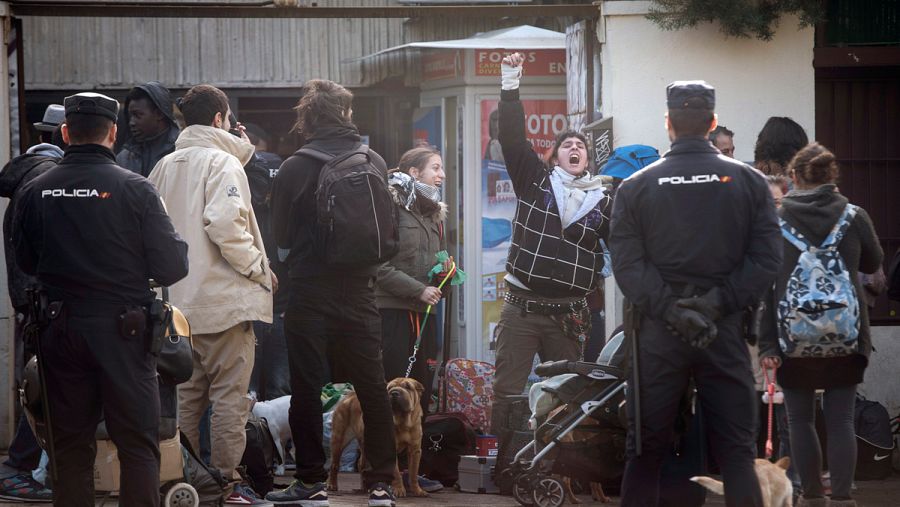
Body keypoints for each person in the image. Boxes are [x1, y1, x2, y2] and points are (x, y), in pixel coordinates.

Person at [609, 80, 782, 507]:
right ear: (713, 123)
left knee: (645, 451)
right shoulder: (749, 182)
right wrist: (716, 305)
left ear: (668, 123)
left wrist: (672, 310)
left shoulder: (635, 186)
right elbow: (766, 260)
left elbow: (628, 266)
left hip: (657, 333)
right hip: (721, 329)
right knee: (738, 454)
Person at [13, 92, 189, 507]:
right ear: (113, 132)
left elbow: (26, 261)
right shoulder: (136, 189)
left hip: (59, 331)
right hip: (124, 333)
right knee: (137, 445)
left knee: (69, 448)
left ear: (65, 132)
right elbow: (171, 267)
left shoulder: (36, 191)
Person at [267, 79, 397, 507]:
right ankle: (380, 484)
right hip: (362, 289)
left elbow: (280, 238)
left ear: (308, 117)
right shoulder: (373, 160)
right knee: (373, 387)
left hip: (309, 290)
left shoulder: (293, 168)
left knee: (306, 388)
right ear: (346, 114)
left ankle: (309, 480)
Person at [148, 84, 275, 506]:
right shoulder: (224, 162)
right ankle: (226, 482)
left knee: (185, 398)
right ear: (220, 119)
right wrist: (259, 269)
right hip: (224, 303)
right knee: (229, 401)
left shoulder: (163, 166)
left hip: (176, 309)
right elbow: (225, 225)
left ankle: (180, 479)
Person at [488, 53, 614, 443]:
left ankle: (559, 470)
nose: (574, 148)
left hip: (570, 313)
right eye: (566, 144)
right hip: (522, 309)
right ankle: (508, 465)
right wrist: (511, 82)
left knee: (566, 394)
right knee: (509, 391)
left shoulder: (605, 199)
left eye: (581, 146)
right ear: (554, 155)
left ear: (588, 159)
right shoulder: (535, 181)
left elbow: (625, 247)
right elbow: (511, 137)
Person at [759, 142, 883, 507]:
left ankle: (812, 496)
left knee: (799, 420)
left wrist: (768, 344)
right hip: (846, 335)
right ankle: (842, 499)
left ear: (794, 177)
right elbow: (872, 261)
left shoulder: (776, 220)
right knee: (842, 419)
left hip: (792, 336)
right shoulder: (853, 215)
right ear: (833, 177)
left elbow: (769, 288)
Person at [0, 105, 66, 502]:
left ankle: (31, 468)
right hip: (47, 307)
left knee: (42, 390)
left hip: (32, 306)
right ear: (63, 134)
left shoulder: (28, 177)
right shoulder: (47, 180)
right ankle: (18, 469)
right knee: (44, 393)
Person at [116, 81, 180, 177]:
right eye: (130, 116)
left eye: (138, 115)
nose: (131, 122)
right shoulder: (124, 158)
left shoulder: (181, 153)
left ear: (159, 114)